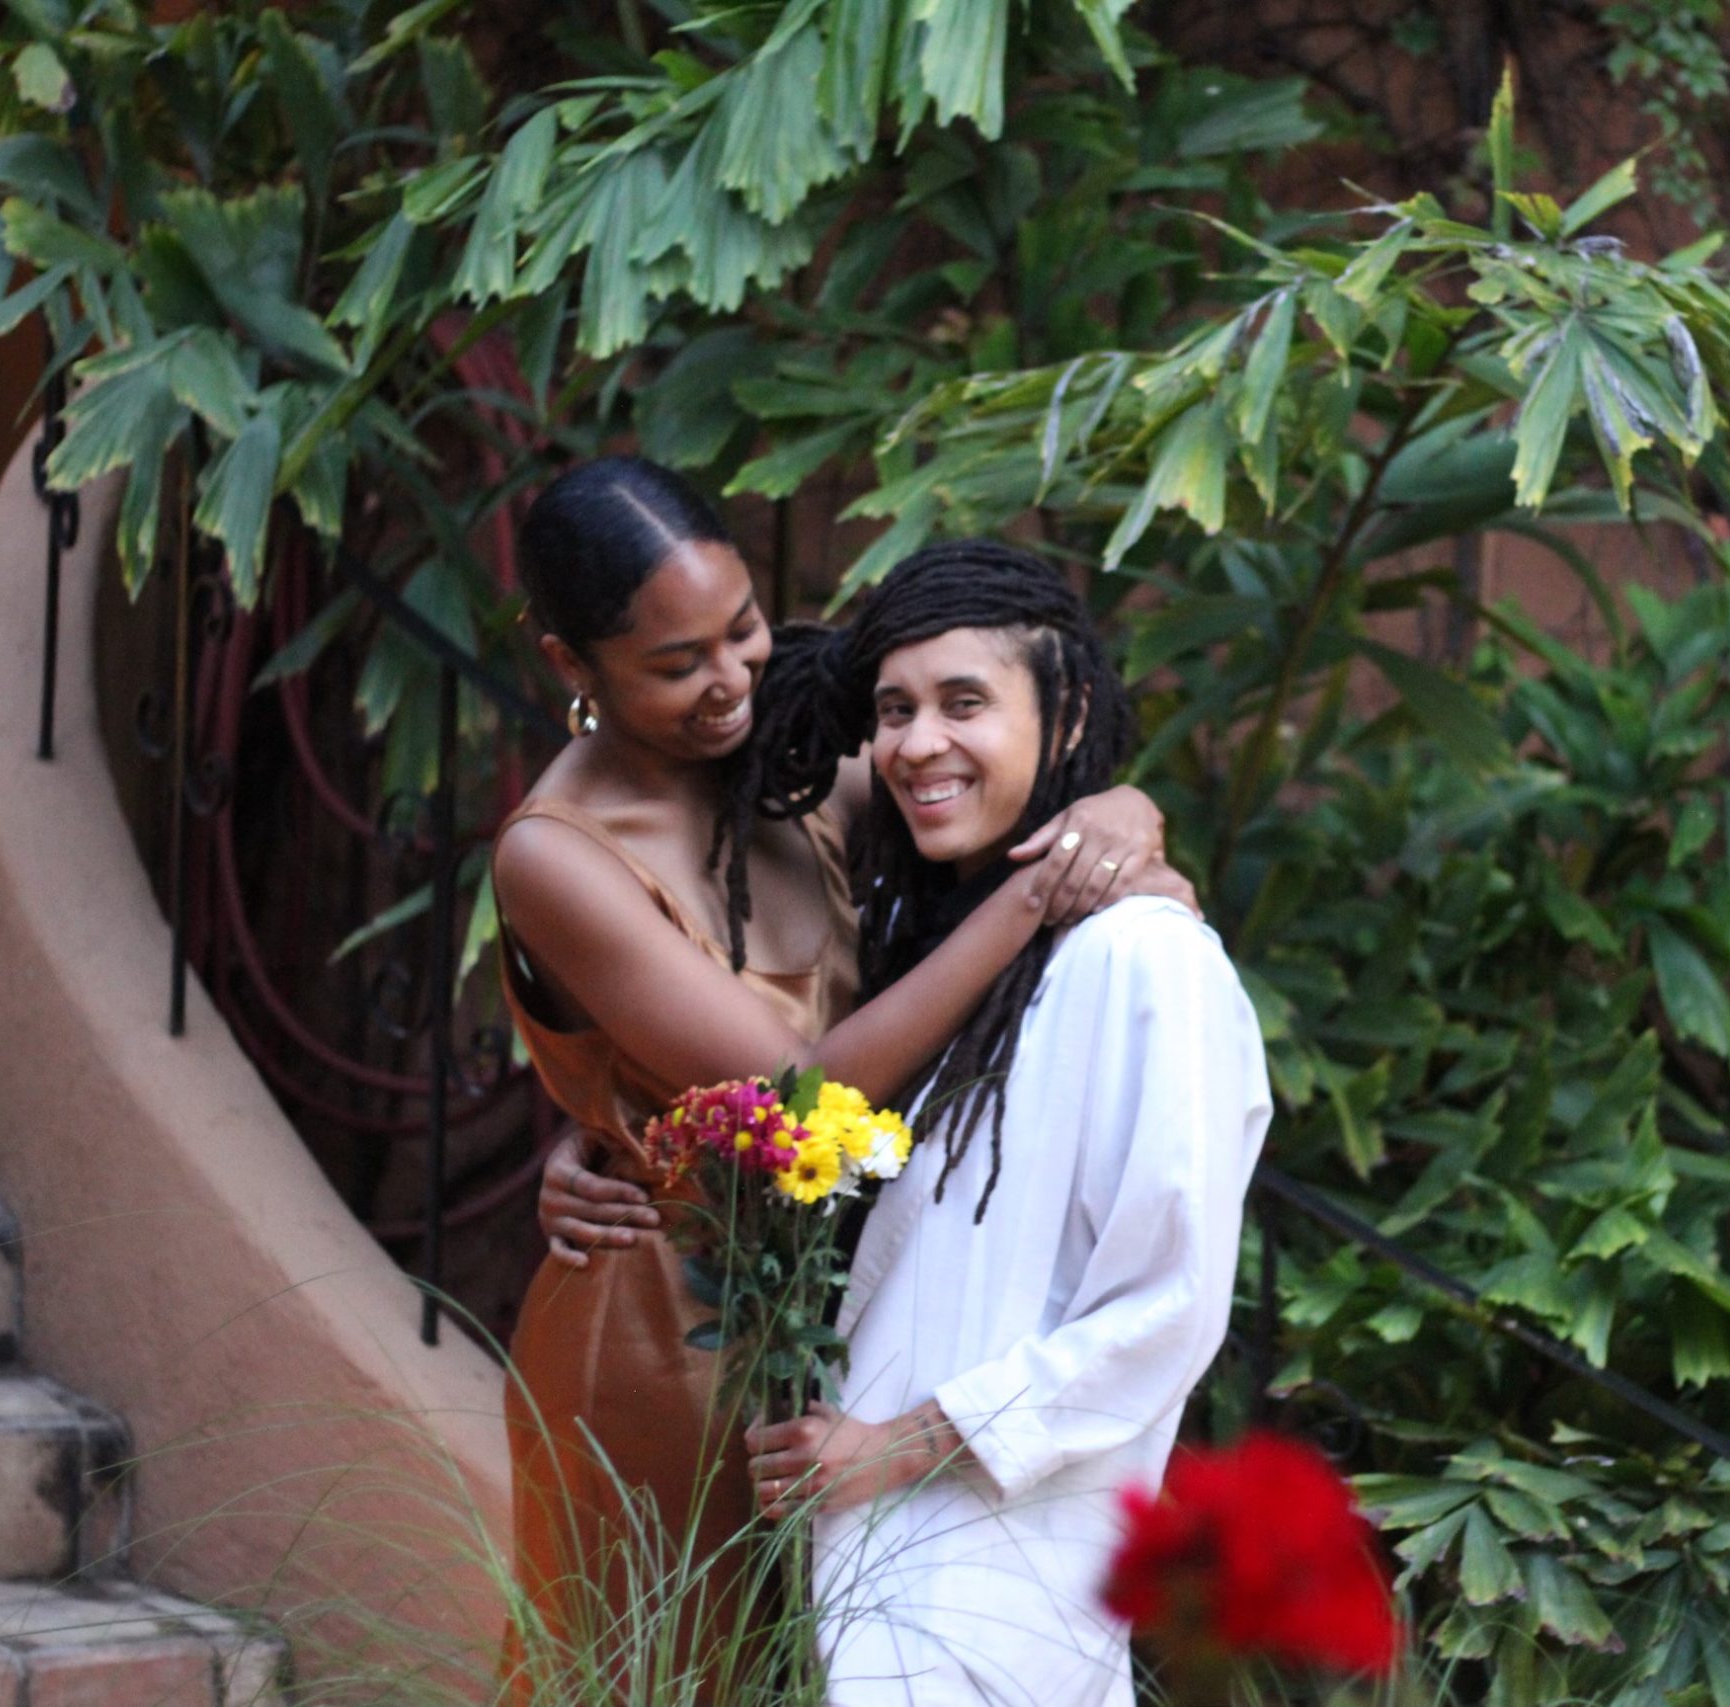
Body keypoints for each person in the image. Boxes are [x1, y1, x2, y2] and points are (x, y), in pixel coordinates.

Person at [491, 462, 1191, 1701]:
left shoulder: (791, 751)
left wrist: (1120, 810)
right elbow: (798, 1096)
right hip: (667, 1332)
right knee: (667, 1672)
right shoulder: (556, 855)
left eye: (744, 629)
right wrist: (1044, 893)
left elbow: (976, 798)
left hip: (844, 1305)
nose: (733, 682)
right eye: (676, 663)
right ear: (571, 668)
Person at [738, 540, 1271, 1707]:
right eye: (894, 710)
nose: (918, 741)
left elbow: (1165, 1310)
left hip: (1001, 1579)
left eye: (962, 702)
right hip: (883, 1576)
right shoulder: (929, 941)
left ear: (1068, 706)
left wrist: (898, 1447)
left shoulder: (1145, 960)